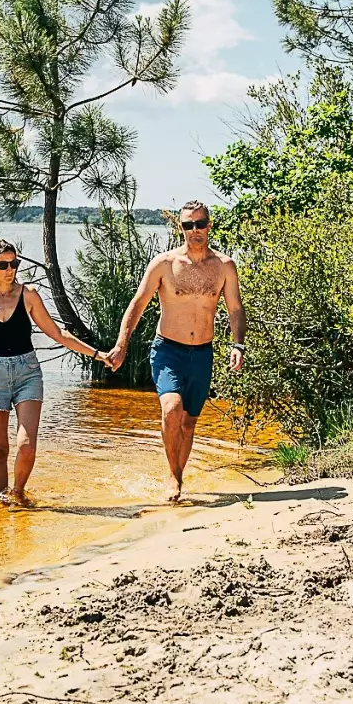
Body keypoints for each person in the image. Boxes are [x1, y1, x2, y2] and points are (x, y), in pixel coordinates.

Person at [0, 239, 111, 504]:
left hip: (27, 373)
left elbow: (57, 333)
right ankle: (0, 510)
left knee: (26, 446)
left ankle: (18, 494)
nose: (10, 269)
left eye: (14, 263)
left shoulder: (28, 295)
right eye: (3, 265)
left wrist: (97, 354)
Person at [107, 201, 245, 502]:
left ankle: (178, 477)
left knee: (189, 422)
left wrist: (238, 344)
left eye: (200, 224)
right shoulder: (164, 264)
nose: (194, 230)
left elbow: (235, 308)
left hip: (202, 353)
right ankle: (172, 475)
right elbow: (137, 304)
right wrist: (121, 345)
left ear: (209, 225)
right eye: (187, 225)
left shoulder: (224, 266)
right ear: (180, 228)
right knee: (171, 409)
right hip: (168, 350)